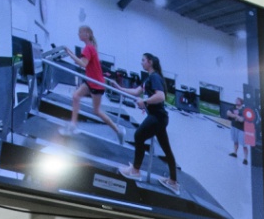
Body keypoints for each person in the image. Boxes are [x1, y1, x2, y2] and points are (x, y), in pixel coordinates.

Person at [120, 52, 179, 192]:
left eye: (143, 60)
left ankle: (135, 170)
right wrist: (119, 88)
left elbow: (161, 96)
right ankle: (173, 181)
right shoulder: (148, 78)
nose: (141, 62)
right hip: (158, 118)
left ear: (150, 62)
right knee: (166, 149)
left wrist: (144, 101)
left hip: (158, 117)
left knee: (138, 136)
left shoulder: (155, 77)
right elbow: (136, 91)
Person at [63, 25, 124, 143]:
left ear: (87, 34)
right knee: (76, 96)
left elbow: (83, 64)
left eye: (80, 32)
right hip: (90, 81)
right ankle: (73, 125)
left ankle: (118, 131)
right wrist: (70, 52)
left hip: (96, 84)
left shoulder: (88, 48)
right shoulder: (90, 47)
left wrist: (70, 54)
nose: (78, 34)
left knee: (96, 111)